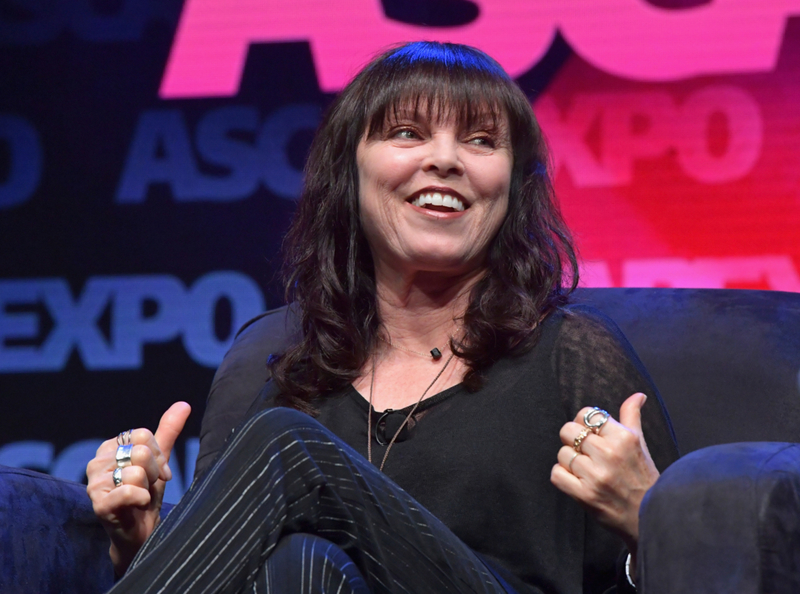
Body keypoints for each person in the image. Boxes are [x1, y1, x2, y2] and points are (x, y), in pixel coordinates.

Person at [87, 41, 678, 593]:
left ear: (513, 187)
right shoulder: (299, 375)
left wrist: (648, 523)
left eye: (480, 141)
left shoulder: (569, 354)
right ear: (351, 174)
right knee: (300, 565)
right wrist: (141, 544)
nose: (445, 159)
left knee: (288, 444)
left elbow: (708, 568)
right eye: (406, 132)